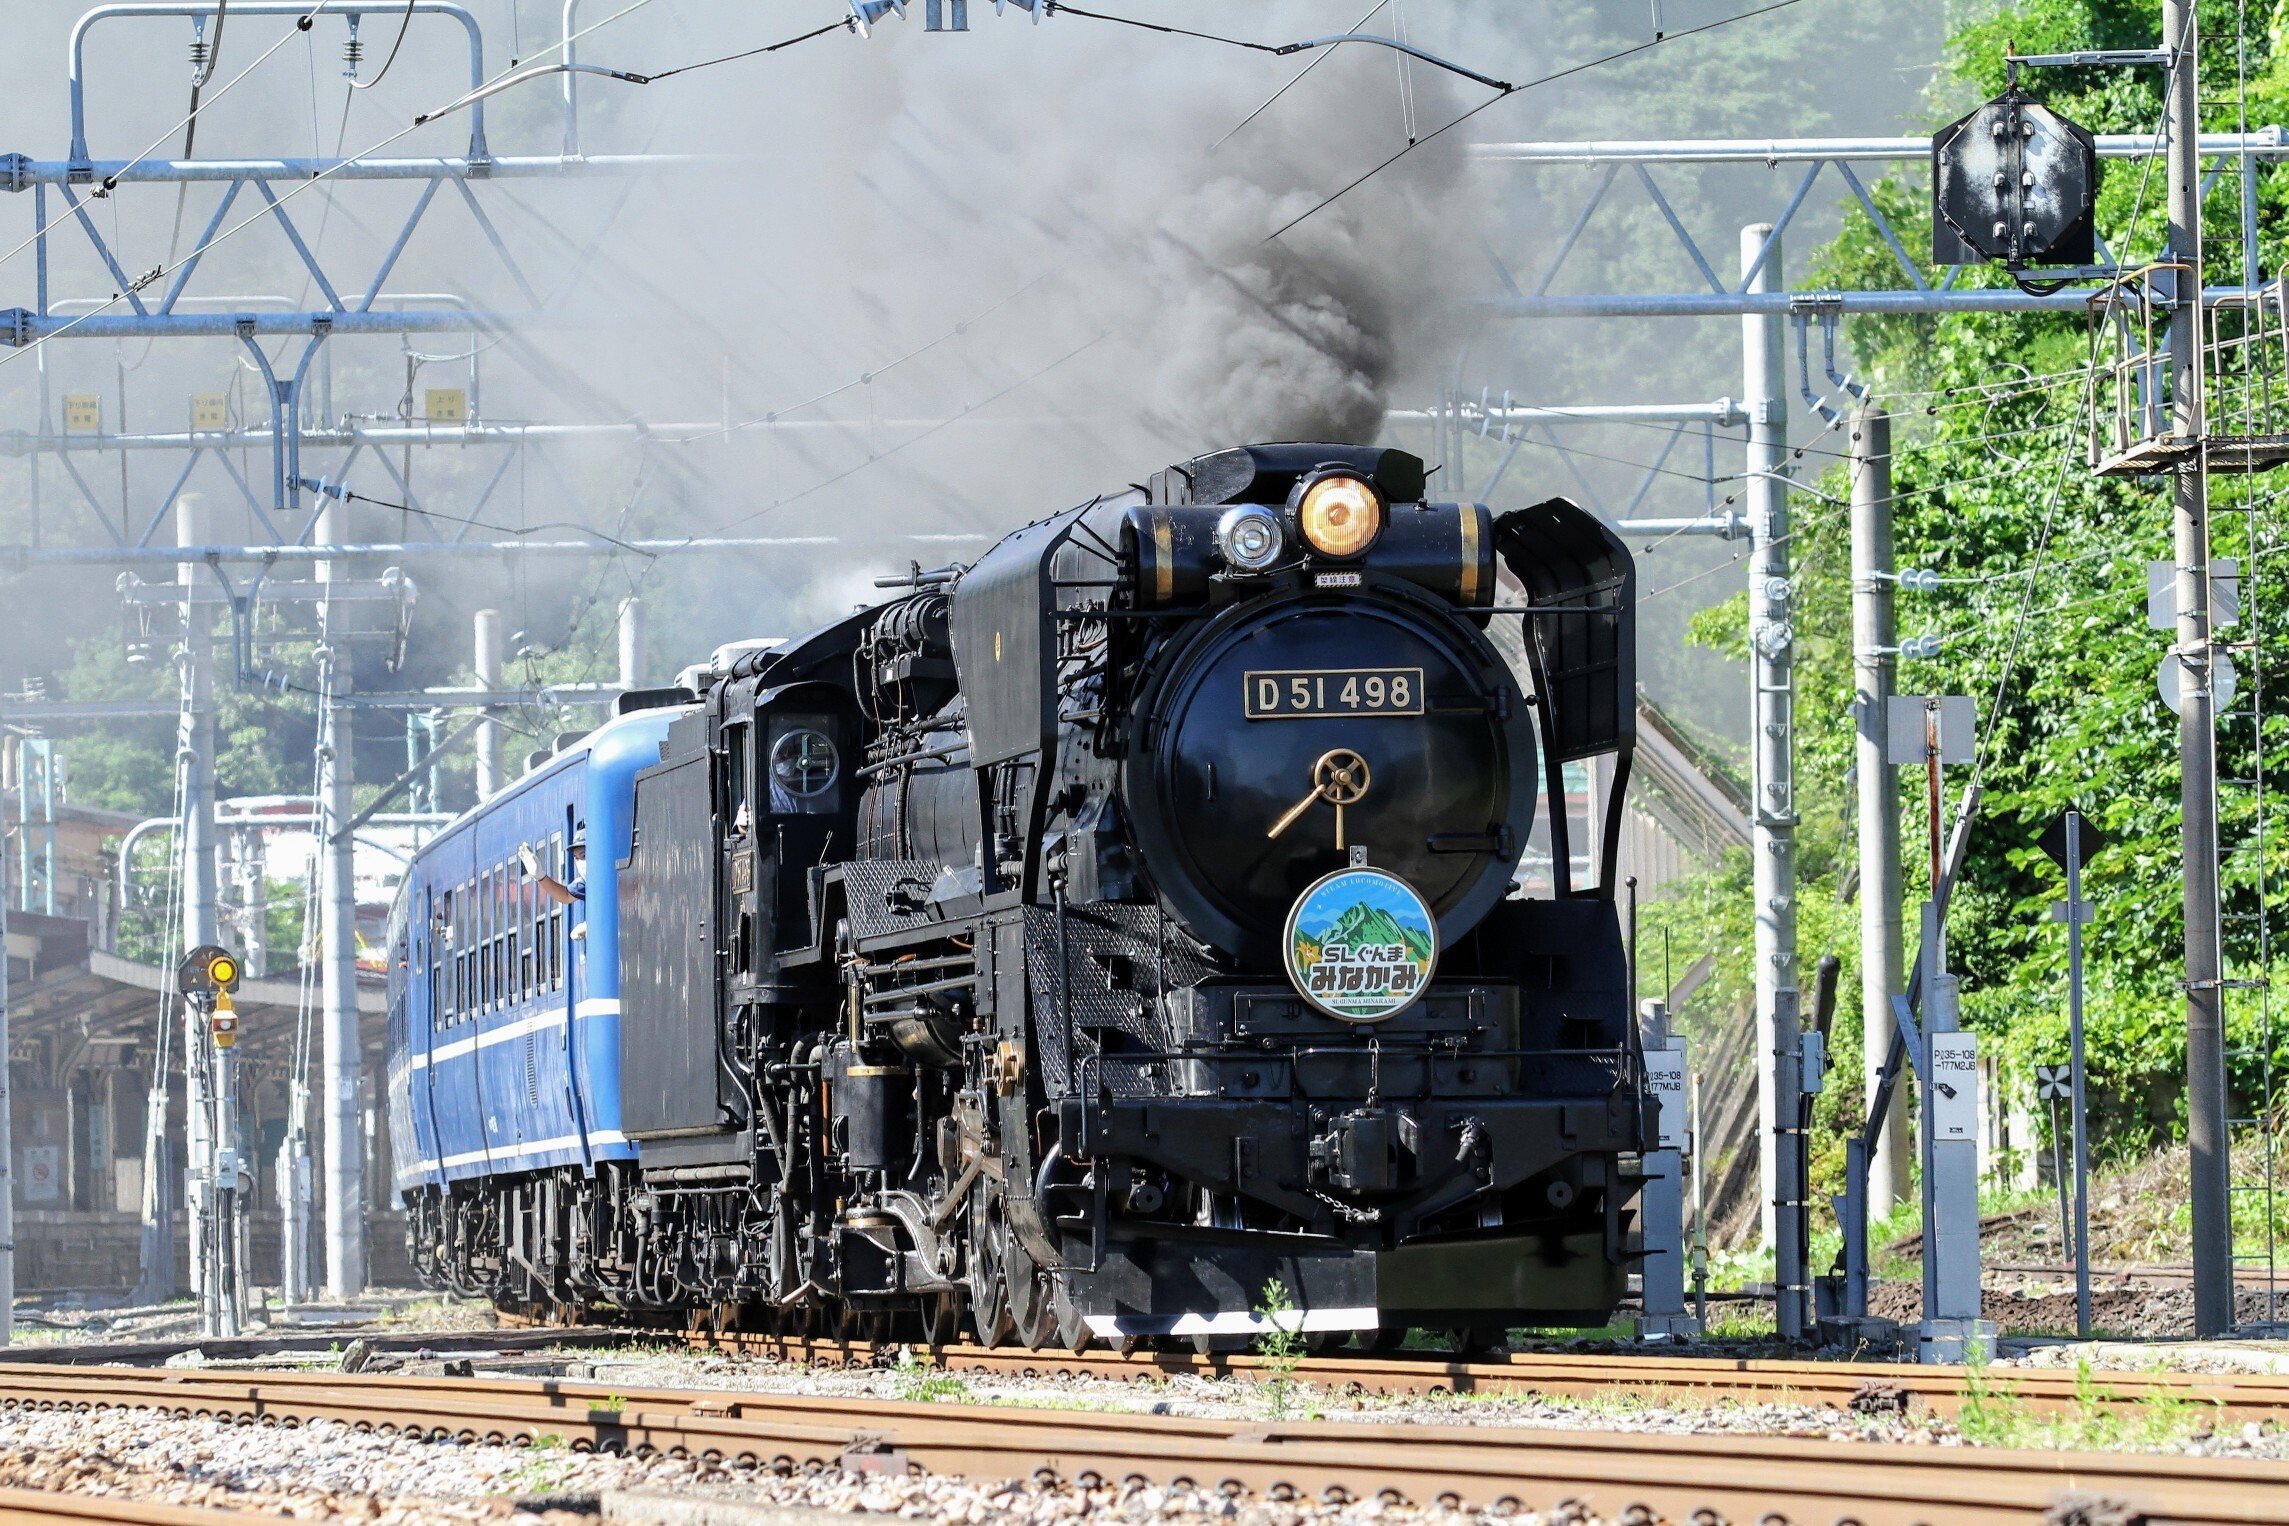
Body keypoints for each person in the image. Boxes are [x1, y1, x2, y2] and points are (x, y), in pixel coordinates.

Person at [521, 832, 586, 907]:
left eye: (584, 856)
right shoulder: (584, 883)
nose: (580, 862)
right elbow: (566, 895)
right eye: (577, 858)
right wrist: (540, 876)